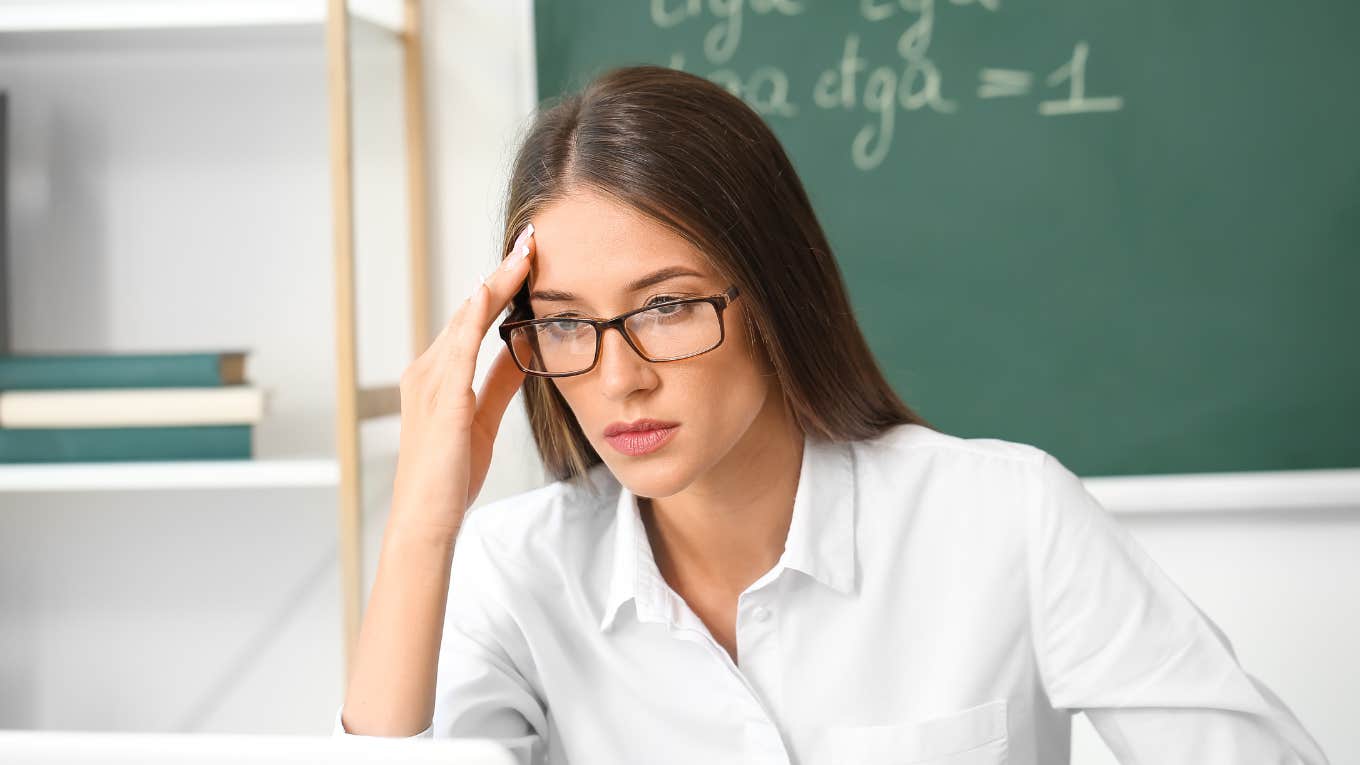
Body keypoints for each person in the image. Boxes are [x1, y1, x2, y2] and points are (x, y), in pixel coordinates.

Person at [333, 65, 1329, 764]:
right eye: (563, 325)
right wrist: (424, 525)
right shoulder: (518, 571)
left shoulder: (1004, 517)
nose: (617, 377)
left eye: (667, 307)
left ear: (770, 293)